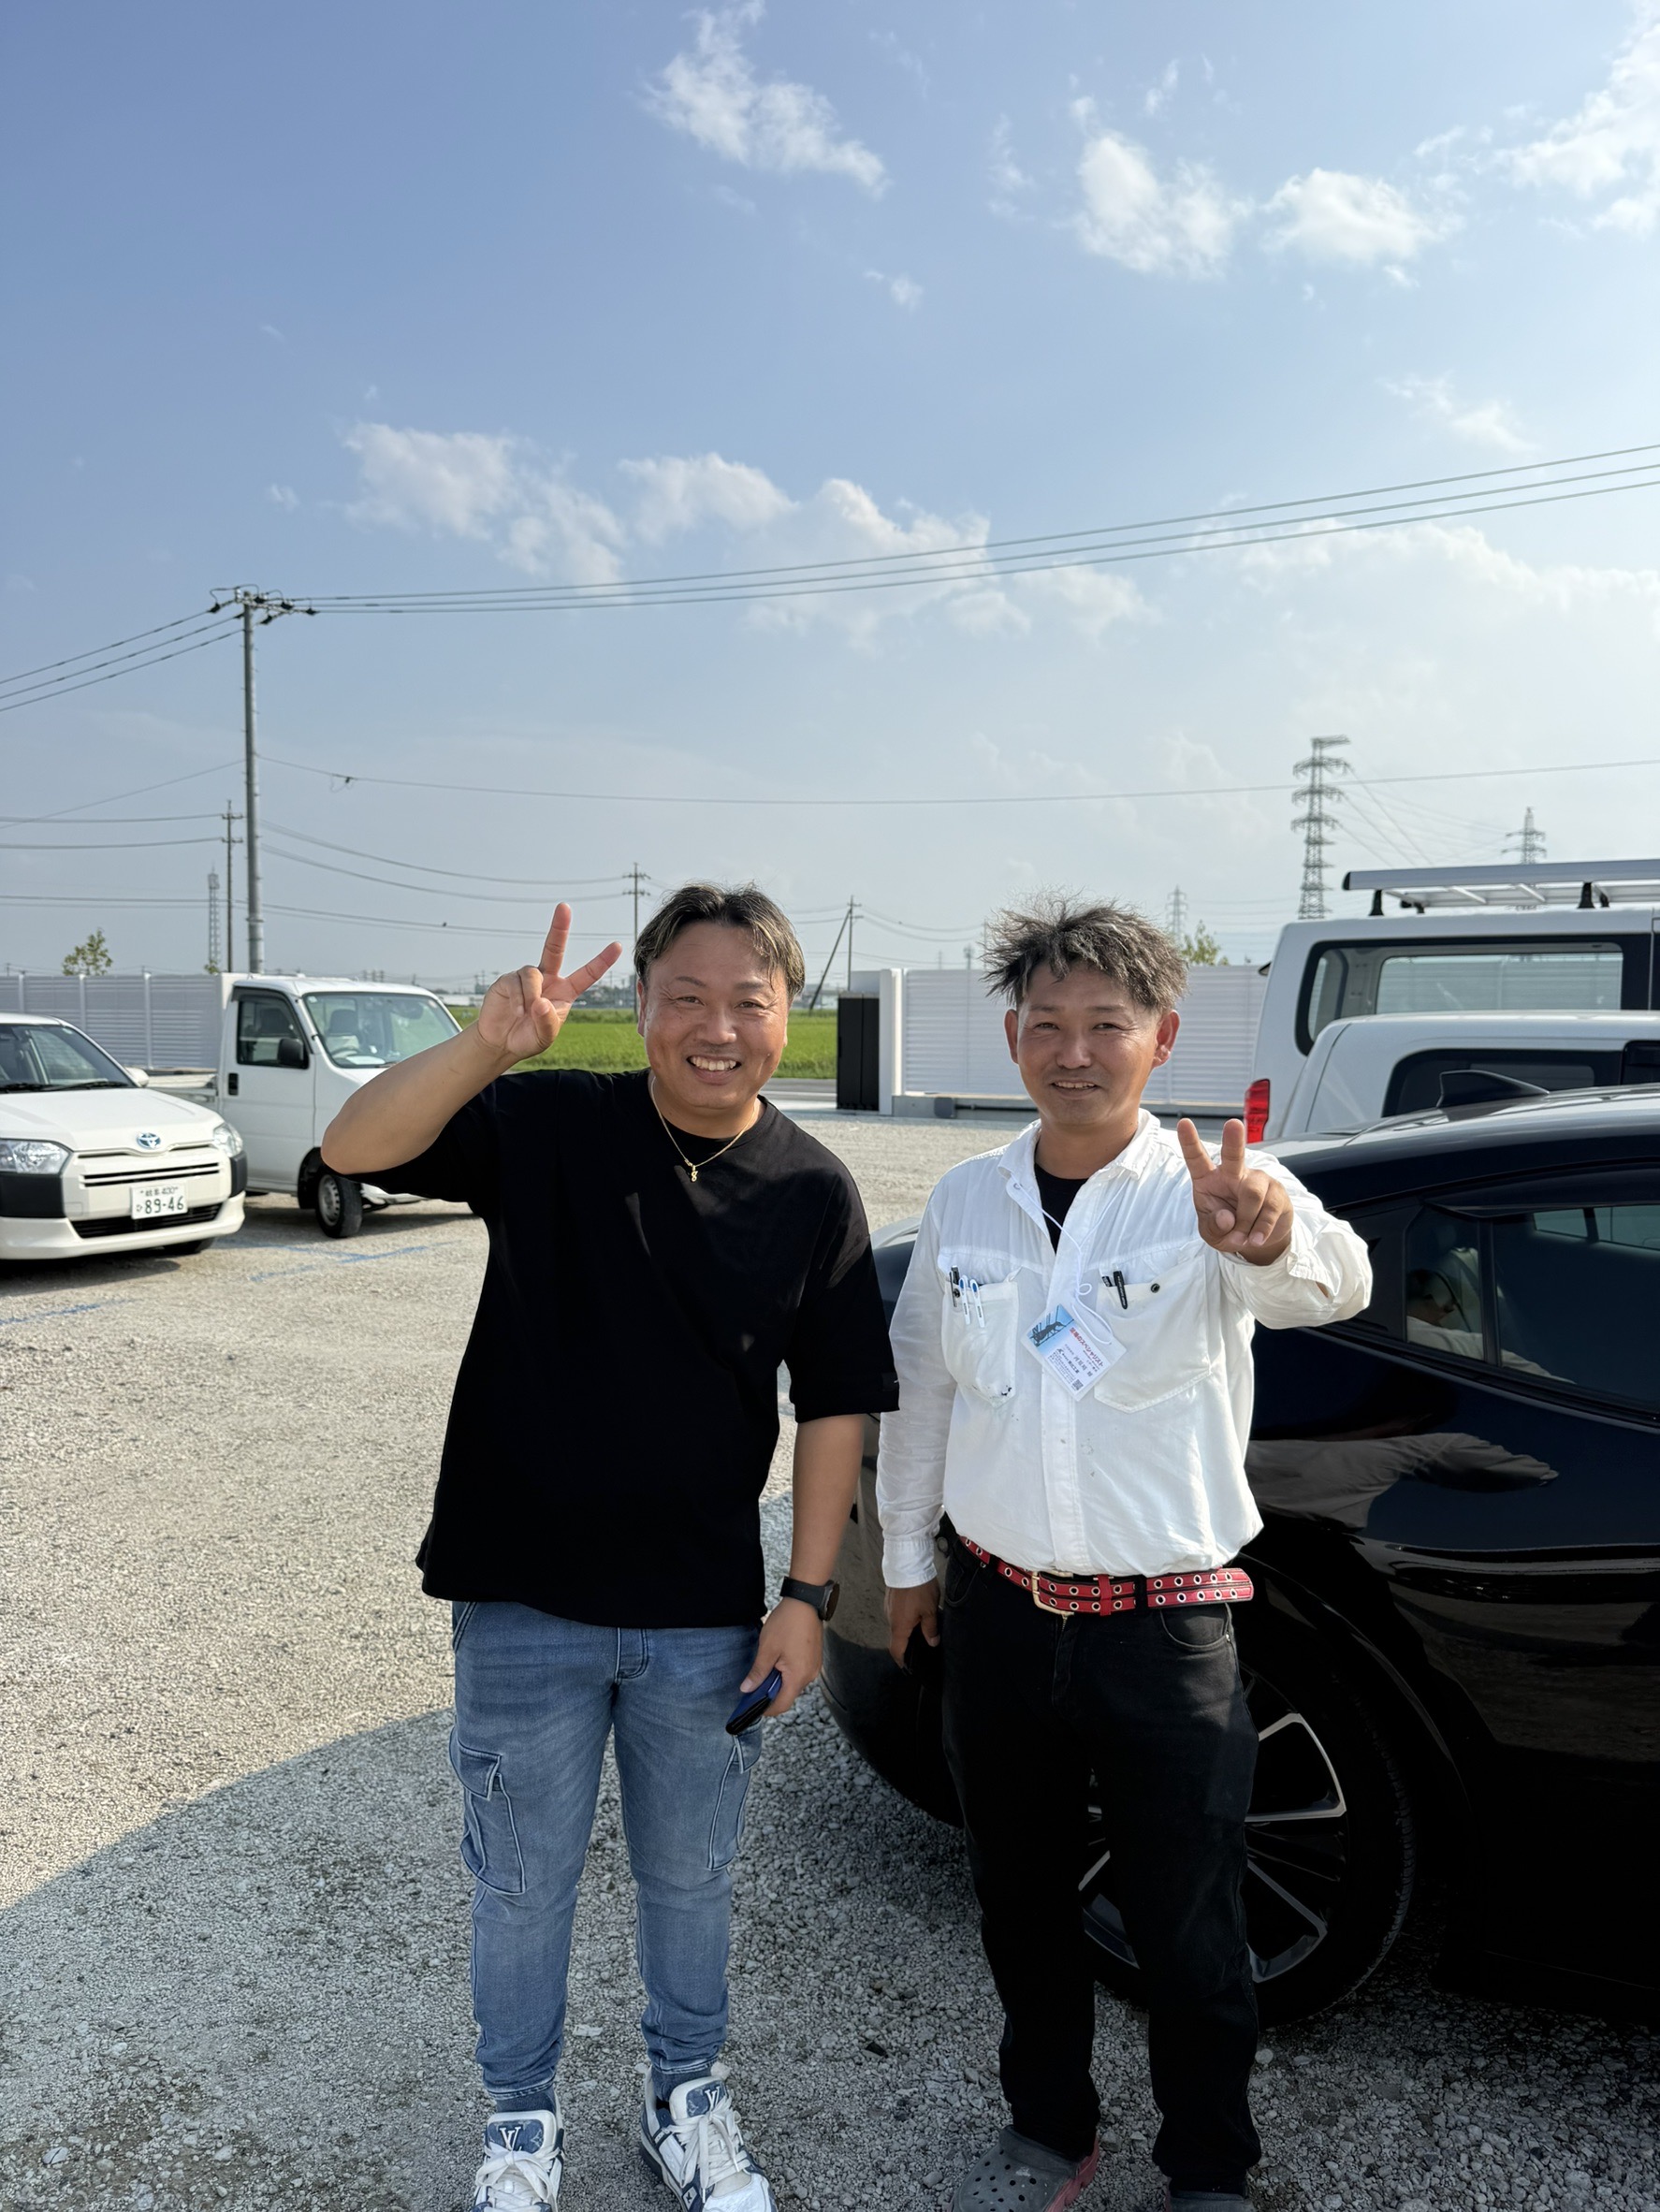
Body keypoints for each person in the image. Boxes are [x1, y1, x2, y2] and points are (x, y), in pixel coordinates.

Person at [322, 885, 896, 2212]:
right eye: (683, 997)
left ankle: (682, 2098)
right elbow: (353, 1148)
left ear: (786, 1016)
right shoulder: (549, 1123)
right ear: (641, 1008)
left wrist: (807, 1596)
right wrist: (484, 1047)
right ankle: (520, 2125)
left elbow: (836, 1406)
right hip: (523, 1597)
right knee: (521, 1886)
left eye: (745, 1002)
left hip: (706, 1614)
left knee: (691, 1881)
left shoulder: (813, 1188)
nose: (714, 1028)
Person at [877, 898, 1372, 2212]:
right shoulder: (967, 1201)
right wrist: (909, 1561)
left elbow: (1337, 1283)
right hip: (998, 1615)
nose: (1074, 1052)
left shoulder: (1212, 1190)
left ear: (1162, 1038)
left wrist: (1269, 1235)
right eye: (1047, 1025)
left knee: (1189, 1920)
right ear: (1012, 1040)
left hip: (1164, 1628)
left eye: (1106, 1024)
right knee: (1019, 1900)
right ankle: (1049, 2132)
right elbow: (922, 1390)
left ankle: (1208, 2165)